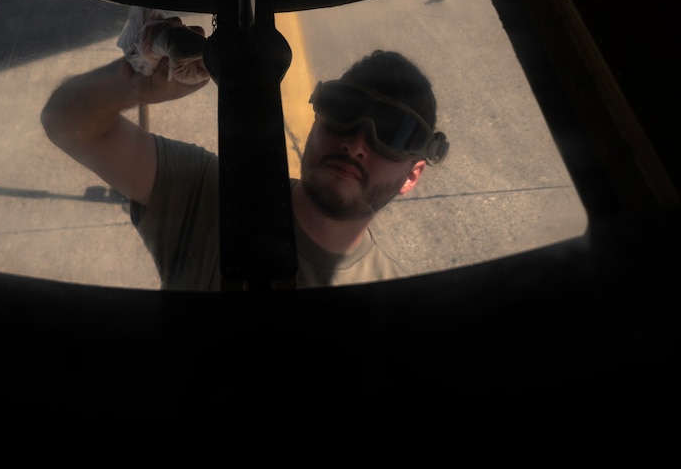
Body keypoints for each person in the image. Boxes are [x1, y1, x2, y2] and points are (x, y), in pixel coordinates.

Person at [41, 17, 448, 290]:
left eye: (392, 134)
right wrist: (138, 85)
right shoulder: (207, 194)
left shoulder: (394, 302)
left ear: (413, 175)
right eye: (343, 111)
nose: (357, 144)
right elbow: (64, 120)